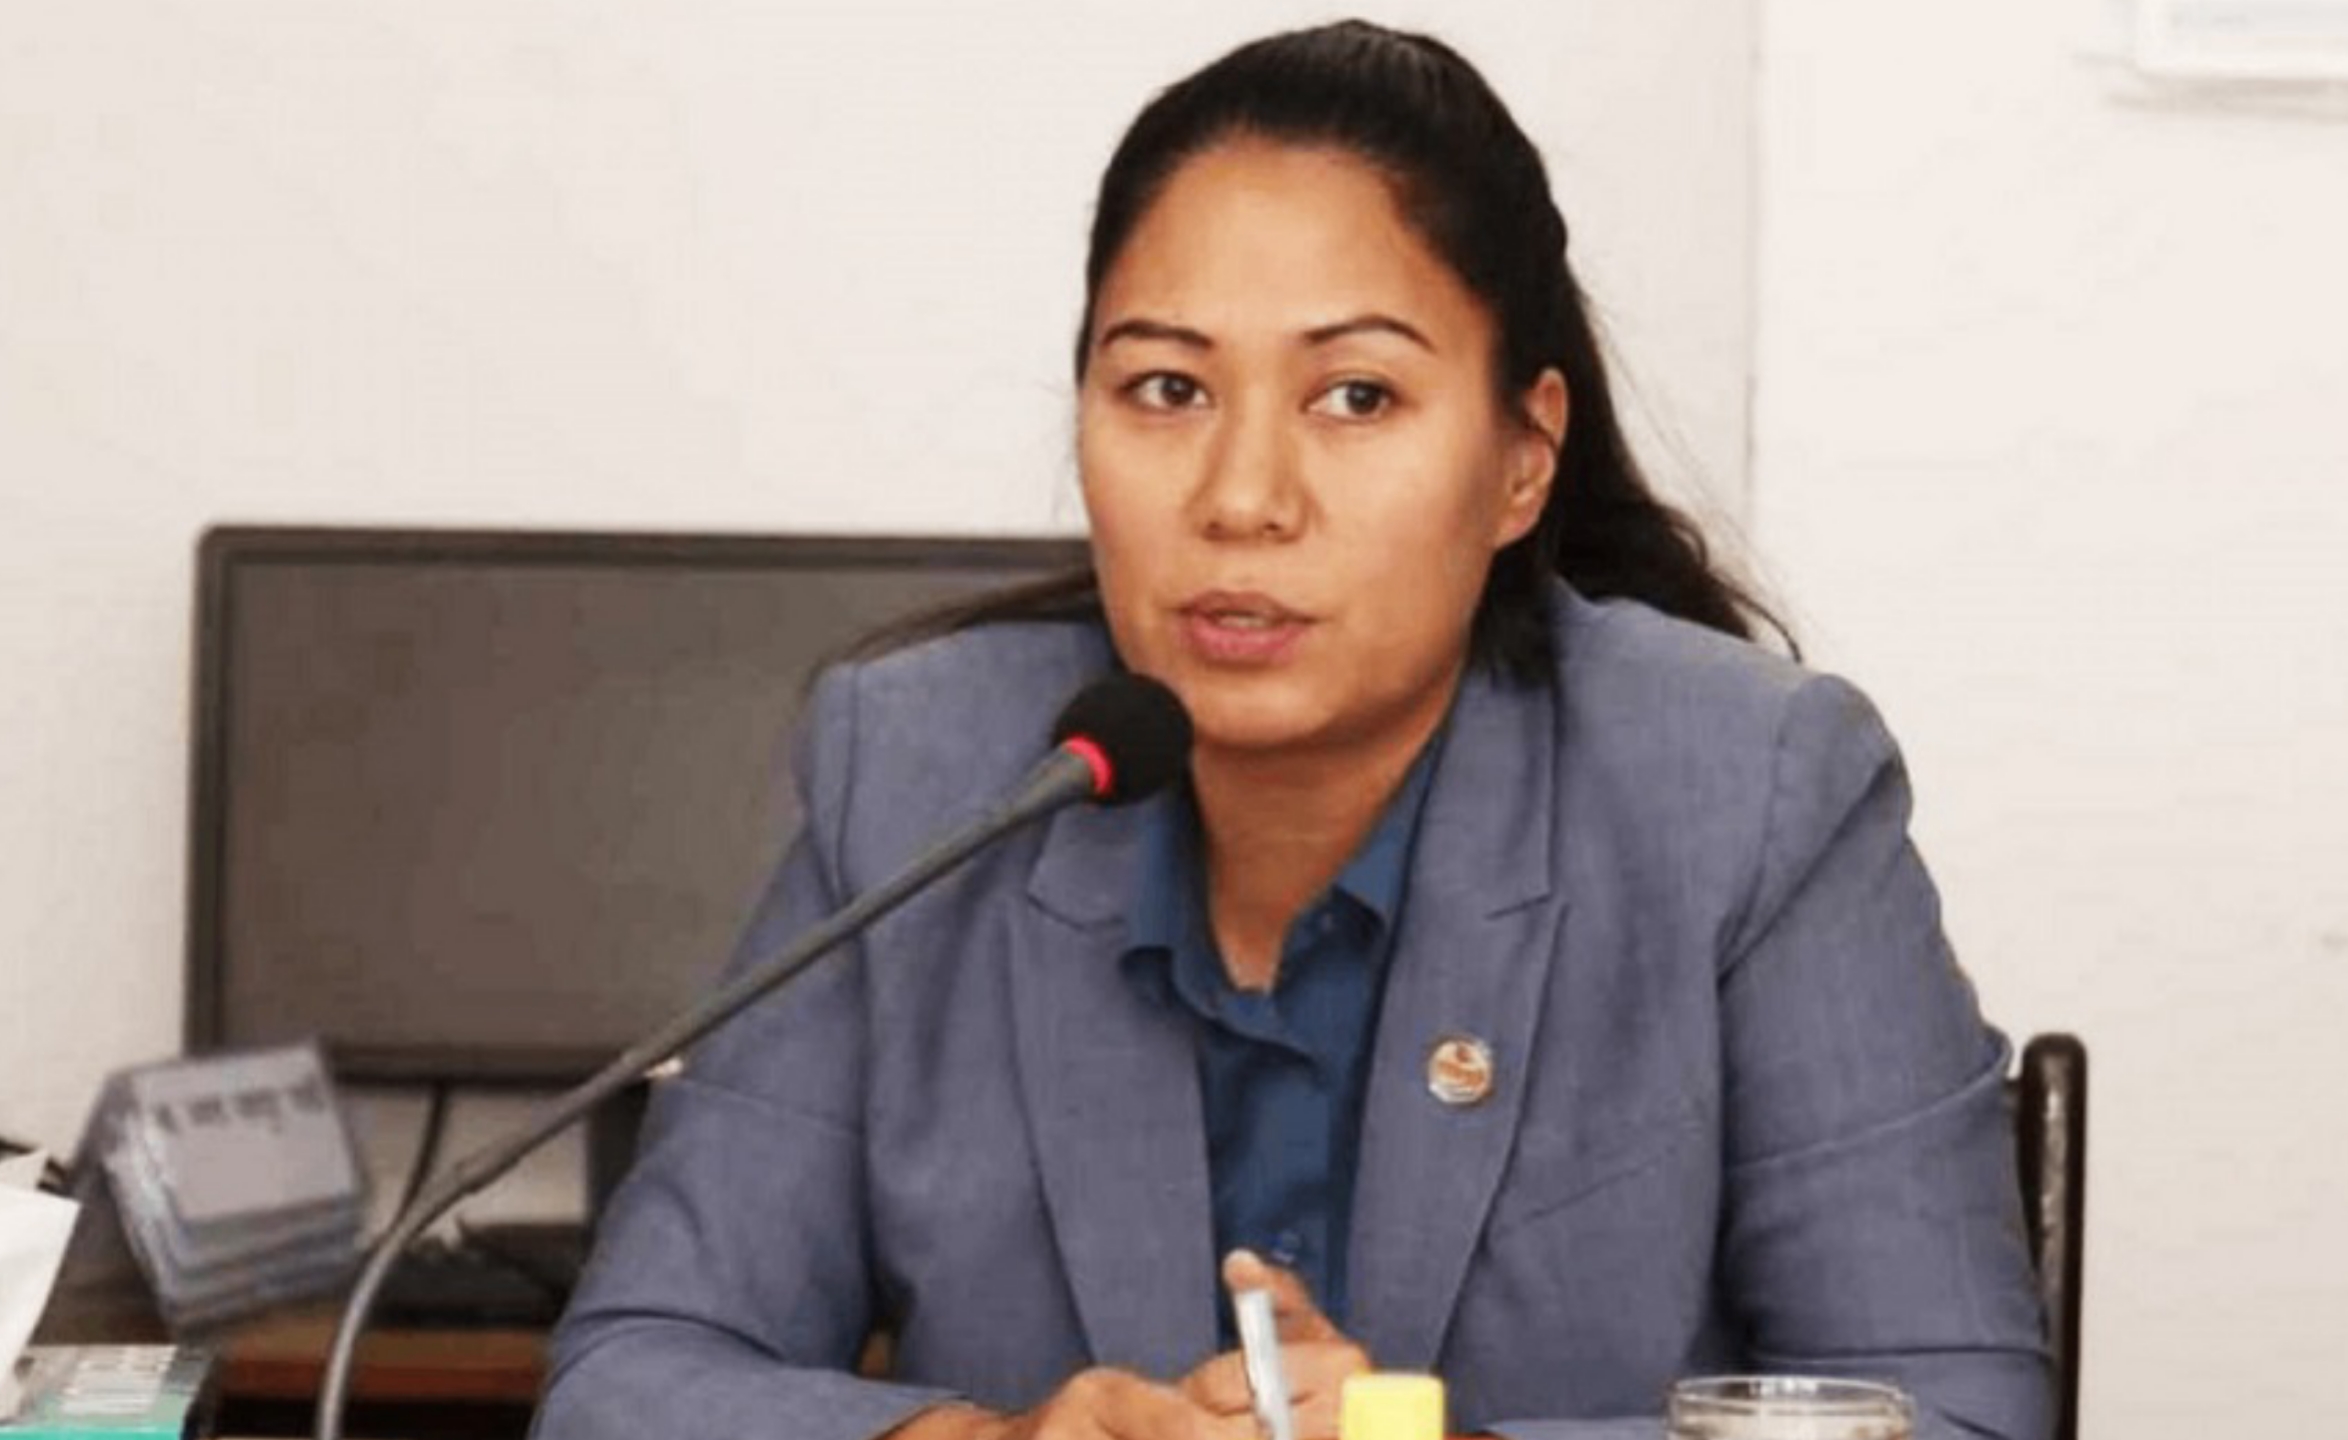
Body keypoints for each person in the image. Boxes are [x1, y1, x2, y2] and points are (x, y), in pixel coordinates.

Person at [534, 21, 2051, 1440]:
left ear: (1522, 461)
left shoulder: (1746, 796)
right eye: (1167, 388)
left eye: (1356, 397)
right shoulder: (925, 774)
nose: (1242, 496)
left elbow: (1951, 1412)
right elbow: (629, 1379)